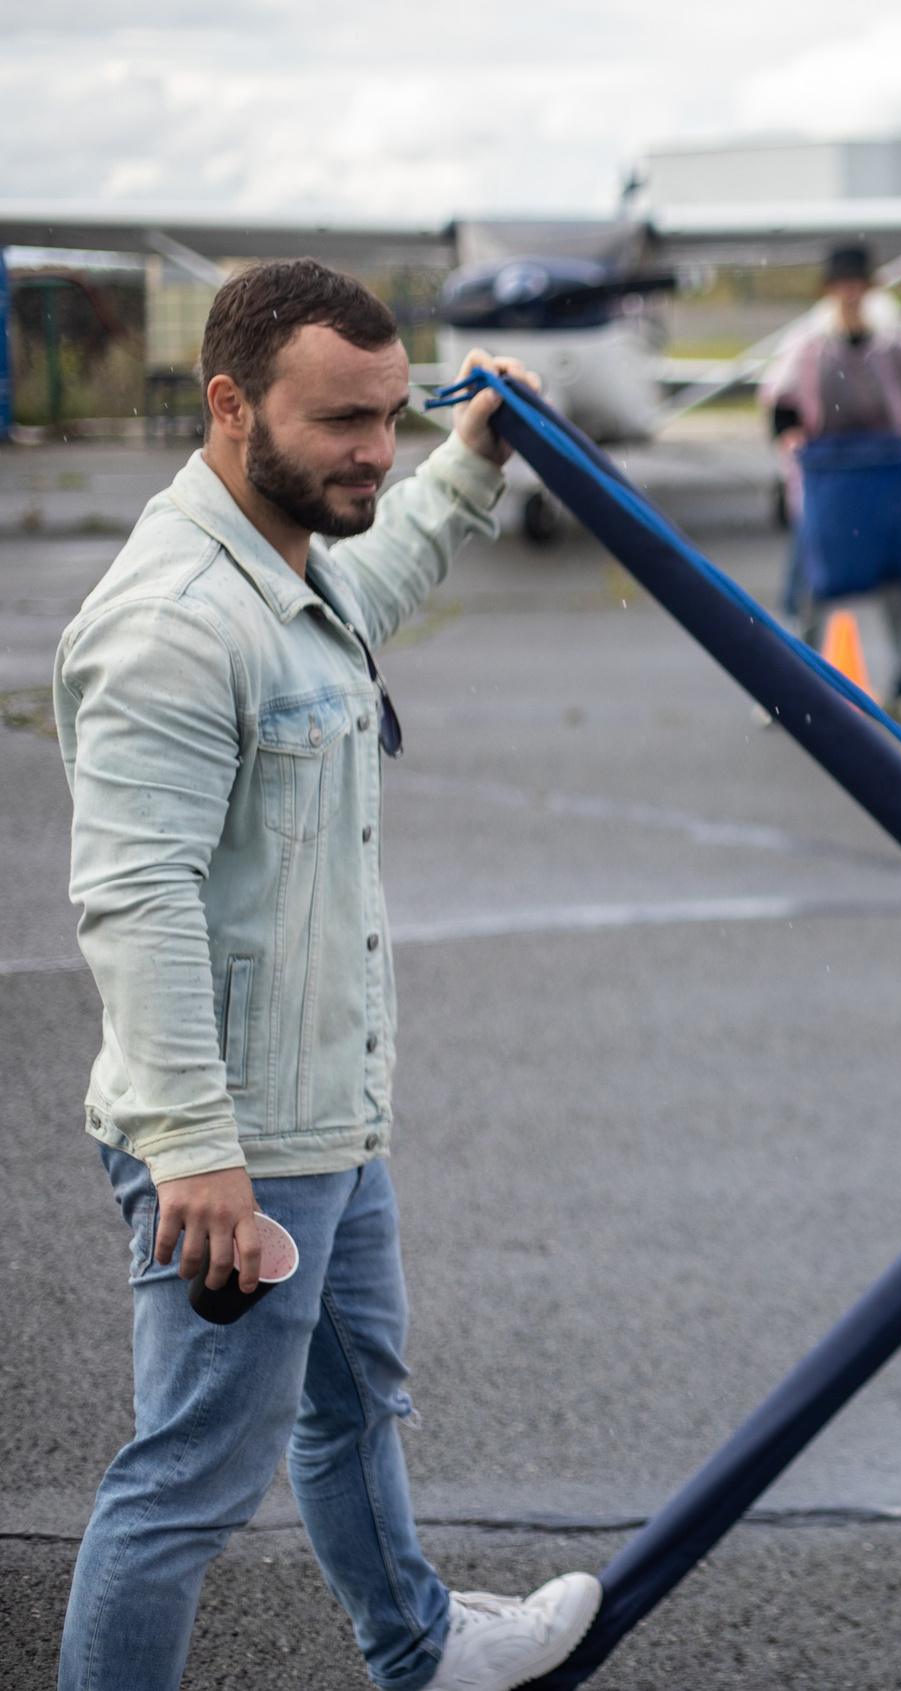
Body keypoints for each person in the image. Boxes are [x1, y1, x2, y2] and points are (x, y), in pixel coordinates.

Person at [51, 259, 598, 1691]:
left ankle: (418, 1651)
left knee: (352, 1405)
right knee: (181, 1484)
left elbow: (377, 569)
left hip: (328, 1111)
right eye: (342, 420)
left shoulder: (284, 565)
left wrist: (468, 465)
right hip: (238, 1139)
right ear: (231, 407)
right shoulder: (177, 620)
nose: (376, 449)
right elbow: (133, 893)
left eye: (394, 414)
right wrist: (193, 1148)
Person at [767, 243, 901, 728]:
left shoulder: (895, 347)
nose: (849, 294)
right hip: (829, 480)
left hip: (883, 476)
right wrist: (789, 433)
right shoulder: (809, 348)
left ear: (869, 289)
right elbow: (782, 404)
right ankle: (788, 683)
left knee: (896, 578)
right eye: (840, 286)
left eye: (857, 285)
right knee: (810, 580)